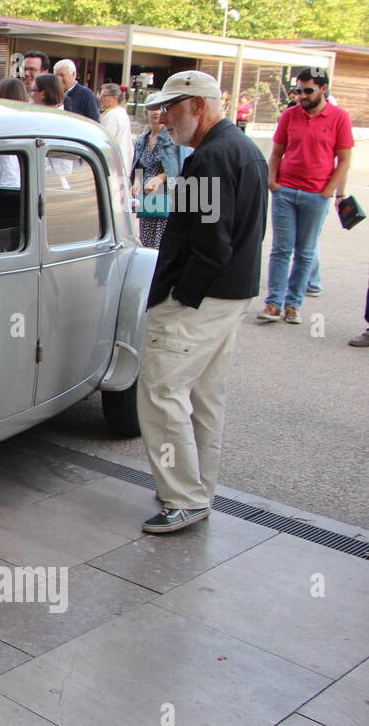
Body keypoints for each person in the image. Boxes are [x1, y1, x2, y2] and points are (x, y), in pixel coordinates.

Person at [136, 70, 267, 535]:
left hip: (203, 298)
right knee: (204, 397)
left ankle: (185, 497)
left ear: (198, 105)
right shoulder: (241, 149)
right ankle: (195, 490)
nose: (164, 117)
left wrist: (183, 296)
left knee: (160, 392)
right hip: (229, 294)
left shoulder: (211, 157)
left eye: (172, 107)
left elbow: (212, 243)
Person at [258, 67, 353, 325]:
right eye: (298, 91)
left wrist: (328, 191)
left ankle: (293, 305)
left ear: (323, 89)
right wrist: (273, 182)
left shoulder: (339, 117)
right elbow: (276, 152)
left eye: (308, 90)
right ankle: (273, 303)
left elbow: (344, 160)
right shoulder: (290, 115)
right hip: (285, 191)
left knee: (305, 251)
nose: (302, 96)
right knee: (280, 249)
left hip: (316, 194)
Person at [130, 102, 189, 249]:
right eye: (152, 108)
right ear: (146, 112)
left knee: (162, 242)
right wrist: (137, 180)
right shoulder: (142, 139)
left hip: (167, 195)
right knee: (147, 240)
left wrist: (159, 178)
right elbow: (139, 165)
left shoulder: (172, 138)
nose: (156, 112)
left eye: (160, 108)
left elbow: (180, 167)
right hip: (148, 198)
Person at [99, 82, 133, 174]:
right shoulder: (119, 112)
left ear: (114, 98)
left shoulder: (113, 114)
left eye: (104, 96)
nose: (100, 99)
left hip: (113, 166)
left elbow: (105, 142)